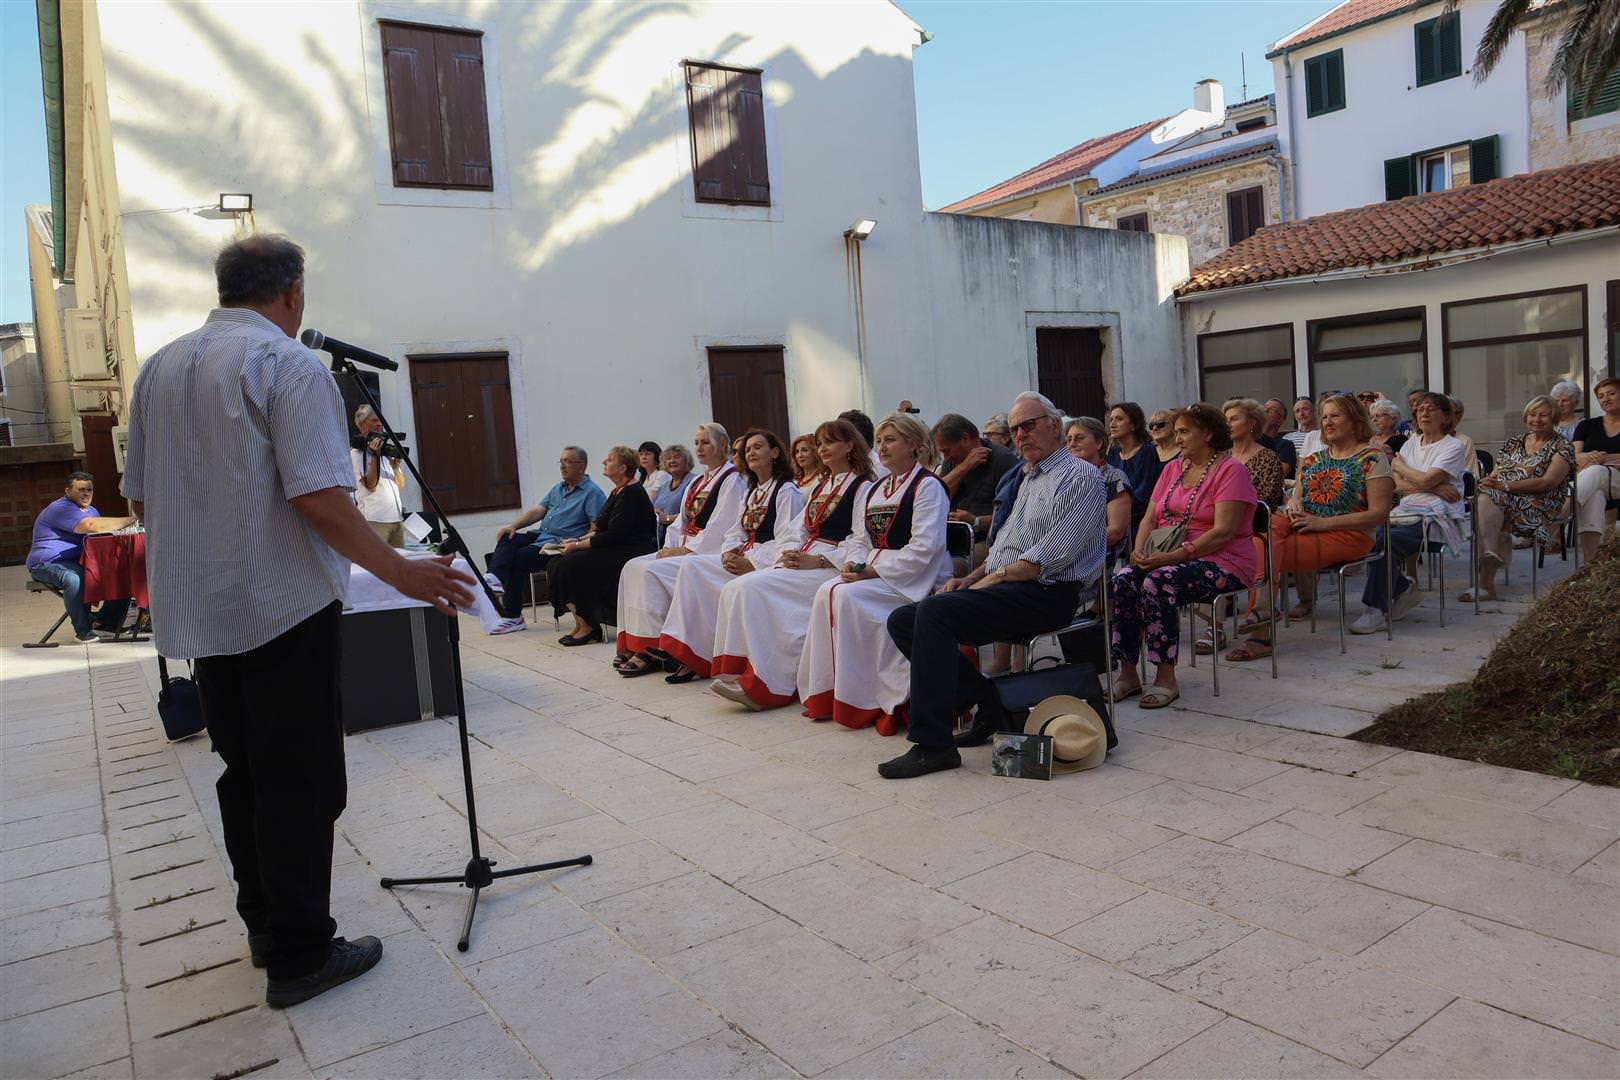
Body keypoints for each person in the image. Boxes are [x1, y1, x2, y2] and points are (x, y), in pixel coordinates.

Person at [120, 234, 475, 1008]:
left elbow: (141, 498)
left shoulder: (160, 367)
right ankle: (302, 956)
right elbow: (319, 496)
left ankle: (266, 927)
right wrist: (404, 571)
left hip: (206, 612)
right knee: (301, 781)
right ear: (292, 293)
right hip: (281, 607)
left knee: (245, 774)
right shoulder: (288, 364)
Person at [881, 391, 1106, 779]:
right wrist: (966, 579)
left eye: (1029, 425)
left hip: (1049, 594)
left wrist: (982, 584)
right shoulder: (1028, 476)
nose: (1021, 435)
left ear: (1054, 426)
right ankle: (990, 701)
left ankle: (933, 745)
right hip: (1010, 587)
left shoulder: (1079, 475)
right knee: (903, 619)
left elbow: (1044, 559)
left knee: (935, 614)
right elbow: (1003, 551)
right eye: (1015, 428)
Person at [799, 413, 951, 734]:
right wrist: (854, 565)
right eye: (879, 441)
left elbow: (926, 548)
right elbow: (858, 538)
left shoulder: (928, 486)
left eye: (891, 440)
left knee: (843, 595)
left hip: (914, 578)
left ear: (913, 444)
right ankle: (834, 692)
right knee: (829, 590)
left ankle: (868, 697)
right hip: (876, 572)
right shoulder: (877, 488)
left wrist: (873, 569)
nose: (881, 447)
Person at [709, 419, 874, 709]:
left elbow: (862, 539)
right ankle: (755, 673)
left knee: (751, 589)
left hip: (828, 565)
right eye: (820, 443)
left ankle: (767, 686)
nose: (822, 449)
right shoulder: (824, 485)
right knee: (740, 587)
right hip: (804, 560)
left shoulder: (862, 487)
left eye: (830, 442)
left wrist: (820, 560)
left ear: (849, 446)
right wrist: (788, 553)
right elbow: (795, 530)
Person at [1110, 404, 1257, 709]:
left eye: (1184, 431)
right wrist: (1139, 550)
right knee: (1124, 579)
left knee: (1158, 582)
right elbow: (1150, 517)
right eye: (1176, 431)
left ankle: (1166, 678)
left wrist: (1176, 556)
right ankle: (1128, 673)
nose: (1177, 438)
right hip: (1168, 555)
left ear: (1208, 434)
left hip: (1224, 560)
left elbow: (1223, 532)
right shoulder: (1173, 469)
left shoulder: (1231, 471)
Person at [1227, 394, 1394, 662]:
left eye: (1335, 416)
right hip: (1305, 527)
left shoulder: (1372, 458)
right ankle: (1263, 616)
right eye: (1325, 416)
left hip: (1350, 535)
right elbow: (1297, 494)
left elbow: (1378, 514)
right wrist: (1293, 502)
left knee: (1261, 548)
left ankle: (1261, 630)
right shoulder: (1315, 458)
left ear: (1354, 420)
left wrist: (1322, 523)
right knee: (1262, 538)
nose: (1327, 421)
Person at [655, 430, 803, 682]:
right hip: (744, 555)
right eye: (747, 450)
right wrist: (729, 552)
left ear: (775, 453)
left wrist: (752, 563)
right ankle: (690, 650)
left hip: (765, 561)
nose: (751, 453)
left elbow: (788, 539)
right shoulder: (753, 491)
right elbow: (735, 530)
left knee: (733, 585)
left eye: (758, 447)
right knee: (692, 567)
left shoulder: (786, 490)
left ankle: (732, 662)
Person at [614, 423, 744, 672]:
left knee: (650, 572)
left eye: (705, 442)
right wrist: (669, 548)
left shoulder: (732, 479)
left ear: (724, 445)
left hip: (706, 552)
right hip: (684, 547)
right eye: (696, 442)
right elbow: (679, 524)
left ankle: (652, 647)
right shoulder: (697, 482)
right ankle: (635, 640)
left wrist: (683, 551)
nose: (699, 447)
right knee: (632, 566)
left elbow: (721, 524)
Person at [1350, 392, 1467, 634]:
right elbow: (1396, 484)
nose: (1423, 412)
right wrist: (1424, 481)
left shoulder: (1453, 447)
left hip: (1437, 515)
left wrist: (1400, 466)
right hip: (1406, 508)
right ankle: (1403, 588)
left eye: (1431, 408)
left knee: (1388, 543)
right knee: (1373, 539)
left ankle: (1375, 609)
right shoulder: (1410, 443)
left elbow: (1420, 479)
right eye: (1420, 409)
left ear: (1445, 416)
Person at [1467, 396, 1575, 601]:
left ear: (1554, 417)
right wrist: (1489, 482)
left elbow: (1547, 483)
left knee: (1488, 514)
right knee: (1486, 498)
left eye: (1544, 415)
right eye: (1533, 414)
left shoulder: (1562, 446)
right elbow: (1497, 472)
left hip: (1542, 504)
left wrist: (1504, 486)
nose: (1537, 419)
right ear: (1526, 417)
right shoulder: (1514, 442)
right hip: (1505, 499)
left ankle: (1487, 582)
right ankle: (1490, 556)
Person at [548, 445, 659, 645]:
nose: (603, 462)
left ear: (622, 468)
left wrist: (577, 546)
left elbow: (615, 535)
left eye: (609, 460)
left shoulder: (632, 493)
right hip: (615, 546)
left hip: (630, 551)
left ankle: (589, 625)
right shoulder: (618, 491)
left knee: (571, 565)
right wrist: (576, 541)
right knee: (556, 562)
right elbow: (600, 527)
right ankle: (583, 623)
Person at [486, 447, 605, 634]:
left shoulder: (592, 493)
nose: (562, 466)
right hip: (542, 534)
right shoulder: (559, 488)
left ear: (581, 466)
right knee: (507, 537)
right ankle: (494, 579)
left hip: (559, 543)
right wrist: (513, 526)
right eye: (561, 461)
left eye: (567, 461)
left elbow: (596, 526)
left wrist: (576, 542)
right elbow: (538, 511)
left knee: (518, 558)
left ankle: (513, 616)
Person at [26, 471, 136, 643]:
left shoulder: (92, 510)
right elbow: (89, 526)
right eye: (80, 490)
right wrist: (135, 518)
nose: (86, 493)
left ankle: (106, 624)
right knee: (75, 578)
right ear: (68, 491)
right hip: (47, 564)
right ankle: (83, 631)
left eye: (89, 490)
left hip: (79, 562)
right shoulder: (60, 508)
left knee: (121, 572)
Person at [932, 413, 1017, 543]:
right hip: (952, 536)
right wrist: (964, 467)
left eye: (946, 451)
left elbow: (1014, 514)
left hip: (988, 539)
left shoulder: (1002, 459)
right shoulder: (952, 461)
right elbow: (936, 496)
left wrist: (975, 521)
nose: (946, 457)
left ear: (965, 439)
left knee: (951, 563)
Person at [1065, 417, 1131, 557]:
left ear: (1099, 443)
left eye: (1079, 438)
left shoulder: (1113, 477)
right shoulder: (1062, 479)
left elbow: (1115, 531)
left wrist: (1071, 548)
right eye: (1069, 439)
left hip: (1096, 556)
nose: (1072, 444)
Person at [1572, 376, 1620, 562]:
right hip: (1594, 479)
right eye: (1600, 396)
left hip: (1613, 479)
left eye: (1611, 394)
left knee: (1595, 471)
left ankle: (1561, 509)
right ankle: (1591, 563)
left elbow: (1588, 460)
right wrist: (1586, 458)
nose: (1605, 399)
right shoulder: (1586, 425)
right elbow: (1574, 458)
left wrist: (1600, 458)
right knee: (1593, 496)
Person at [350, 406, 406, 547]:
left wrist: (396, 467)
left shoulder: (386, 451)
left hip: (396, 520)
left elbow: (401, 485)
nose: (380, 424)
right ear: (361, 425)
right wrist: (375, 456)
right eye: (374, 420)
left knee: (399, 566)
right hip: (375, 521)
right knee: (380, 567)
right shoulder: (356, 454)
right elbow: (371, 486)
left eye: (380, 421)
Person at [1106, 402, 1163, 534]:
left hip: (1139, 522)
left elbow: (1145, 494)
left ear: (1133, 425)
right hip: (1114, 517)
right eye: (1111, 419)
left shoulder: (1147, 451)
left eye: (1119, 419)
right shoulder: (1113, 453)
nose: (1112, 424)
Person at [1225, 398, 1285, 508]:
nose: (1227, 424)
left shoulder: (1269, 459)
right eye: (1226, 420)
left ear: (1252, 423)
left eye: (1234, 419)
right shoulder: (1222, 457)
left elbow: (1266, 502)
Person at [652, 444, 696, 544]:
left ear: (686, 461)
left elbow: (695, 512)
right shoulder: (663, 486)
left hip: (683, 539)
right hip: (661, 539)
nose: (672, 461)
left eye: (677, 457)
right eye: (668, 458)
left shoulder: (695, 481)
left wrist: (668, 519)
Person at [1259, 398, 1298, 478]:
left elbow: (1279, 475)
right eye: (1264, 408)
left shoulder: (1286, 445)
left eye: (1272, 410)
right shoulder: (1250, 440)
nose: (1265, 411)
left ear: (1281, 420)